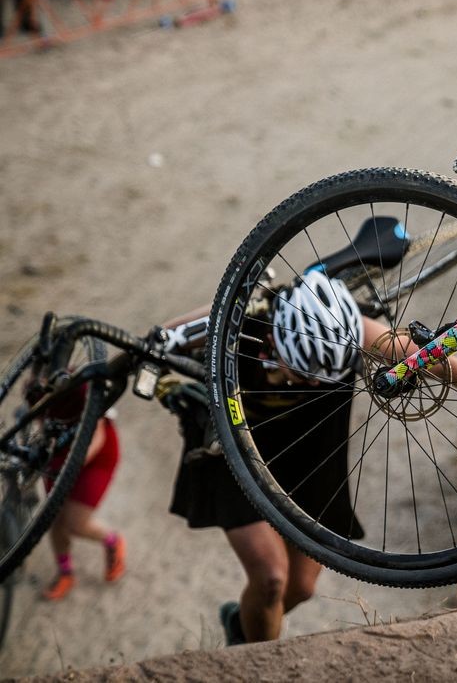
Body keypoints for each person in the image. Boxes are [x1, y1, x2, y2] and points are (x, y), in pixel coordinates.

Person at [167, 273, 386, 645]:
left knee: (301, 587)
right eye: (302, 372)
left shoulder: (347, 329)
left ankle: (240, 628)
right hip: (234, 452)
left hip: (308, 454)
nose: (314, 384)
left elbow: (439, 361)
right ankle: (257, 662)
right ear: (273, 339)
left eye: (323, 376)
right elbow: (159, 339)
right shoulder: (244, 320)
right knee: (271, 579)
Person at [40, 411, 126, 601]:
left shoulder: (83, 386)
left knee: (76, 523)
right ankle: (65, 573)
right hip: (61, 455)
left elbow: (98, 435)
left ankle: (113, 541)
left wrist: (69, 466)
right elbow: (41, 424)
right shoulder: (35, 386)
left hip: (97, 454)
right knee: (55, 518)